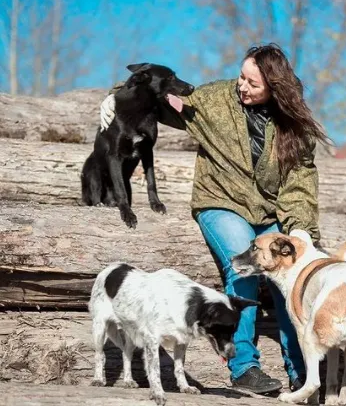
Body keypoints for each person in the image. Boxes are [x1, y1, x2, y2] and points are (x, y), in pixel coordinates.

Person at [99, 43, 329, 394]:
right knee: (244, 261)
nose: (242, 85)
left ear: (275, 88)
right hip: (221, 202)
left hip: (271, 211)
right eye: (241, 76)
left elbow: (300, 184)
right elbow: (157, 90)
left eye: (252, 83)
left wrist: (300, 229)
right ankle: (244, 366)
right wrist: (116, 97)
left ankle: (302, 373)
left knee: (291, 277)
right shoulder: (216, 99)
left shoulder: (295, 128)